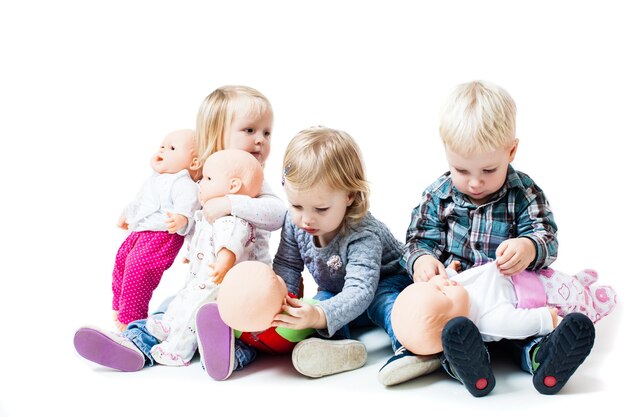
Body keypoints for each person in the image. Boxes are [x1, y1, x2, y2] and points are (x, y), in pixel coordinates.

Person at [368, 80, 577, 392]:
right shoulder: (438, 196)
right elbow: (416, 240)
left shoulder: (524, 193)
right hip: (458, 297)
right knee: (446, 327)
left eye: (489, 170)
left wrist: (528, 247)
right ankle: (465, 363)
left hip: (509, 293)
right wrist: (422, 260)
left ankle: (540, 356)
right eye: (462, 171)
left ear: (512, 150)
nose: (475, 182)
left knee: (525, 329)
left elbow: (547, 237)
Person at [74, 85, 286, 371]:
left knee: (246, 326)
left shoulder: (251, 179)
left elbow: (278, 214)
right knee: (171, 309)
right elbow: (191, 218)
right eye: (249, 130)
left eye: (266, 133)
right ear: (216, 133)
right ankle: (136, 343)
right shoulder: (202, 179)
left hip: (245, 287)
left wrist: (230, 203)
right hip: (202, 282)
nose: (260, 140)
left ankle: (227, 355)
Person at [198, 126, 409, 380]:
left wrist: (320, 315)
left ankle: (409, 347)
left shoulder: (362, 234)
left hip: (385, 284)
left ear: (350, 196)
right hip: (337, 290)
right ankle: (338, 349)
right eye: (297, 205)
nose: (306, 218)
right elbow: (287, 264)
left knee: (383, 304)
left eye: (321, 208)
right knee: (313, 308)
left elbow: (360, 291)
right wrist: (280, 303)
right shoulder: (294, 221)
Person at [390, 263, 614, 395]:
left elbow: (451, 279)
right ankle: (545, 355)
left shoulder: (458, 289)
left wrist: (447, 271)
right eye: (442, 292)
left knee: (569, 283)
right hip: (539, 295)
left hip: (527, 274)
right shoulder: (488, 319)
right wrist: (545, 318)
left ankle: (581, 284)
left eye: (434, 285)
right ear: (450, 319)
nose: (443, 284)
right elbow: (516, 324)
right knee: (575, 301)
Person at [143, 149, 263, 366]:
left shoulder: (233, 219)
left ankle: (178, 350)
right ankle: (168, 324)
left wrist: (223, 263)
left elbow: (230, 243)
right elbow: (202, 238)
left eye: (208, 179)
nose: (201, 183)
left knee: (194, 311)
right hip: (201, 278)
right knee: (183, 298)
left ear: (233, 186)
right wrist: (191, 255)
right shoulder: (211, 217)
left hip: (218, 284)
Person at [111, 129, 201, 331]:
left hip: (162, 234)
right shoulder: (154, 179)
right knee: (122, 260)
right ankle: (120, 305)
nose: (162, 149)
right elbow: (141, 201)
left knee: (140, 267)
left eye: (171, 148)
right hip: (140, 231)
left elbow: (189, 204)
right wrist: (128, 214)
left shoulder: (183, 182)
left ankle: (132, 317)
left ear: (194, 163)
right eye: (162, 145)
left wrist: (181, 218)